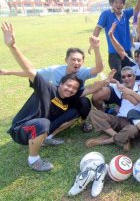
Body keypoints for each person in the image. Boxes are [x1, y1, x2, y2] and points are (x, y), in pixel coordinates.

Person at [1, 22, 111, 171]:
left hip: (45, 123)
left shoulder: (73, 92)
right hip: (22, 129)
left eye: (74, 88)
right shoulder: (46, 88)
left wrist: (107, 81)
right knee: (42, 123)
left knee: (76, 110)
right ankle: (34, 160)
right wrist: (12, 47)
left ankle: (48, 137)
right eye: (68, 86)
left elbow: (91, 88)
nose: (70, 89)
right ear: (60, 84)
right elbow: (30, 70)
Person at [0, 39, 104, 133]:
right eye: (73, 59)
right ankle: (45, 125)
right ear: (66, 60)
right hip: (57, 99)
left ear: (82, 62)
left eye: (79, 60)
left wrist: (96, 49)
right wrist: (8, 72)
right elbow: (32, 72)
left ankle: (82, 122)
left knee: (85, 102)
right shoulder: (54, 70)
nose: (76, 62)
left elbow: (99, 69)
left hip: (75, 97)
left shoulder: (82, 72)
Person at [85, 67, 140, 151]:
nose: (126, 78)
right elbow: (97, 85)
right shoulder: (120, 86)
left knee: (133, 130)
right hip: (119, 119)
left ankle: (103, 141)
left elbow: (135, 102)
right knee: (93, 113)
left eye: (129, 76)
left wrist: (123, 89)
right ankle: (121, 138)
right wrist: (107, 80)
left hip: (132, 121)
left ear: (134, 76)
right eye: (123, 77)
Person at [92, 0, 140, 80]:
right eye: (116, 2)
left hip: (126, 51)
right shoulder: (106, 14)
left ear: (123, 4)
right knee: (117, 76)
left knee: (130, 74)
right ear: (111, 3)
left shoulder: (126, 13)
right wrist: (93, 41)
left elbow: (137, 8)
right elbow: (98, 28)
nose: (118, 5)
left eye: (121, 3)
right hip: (114, 52)